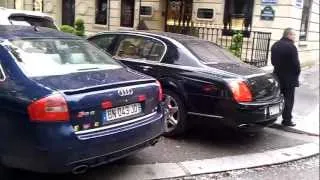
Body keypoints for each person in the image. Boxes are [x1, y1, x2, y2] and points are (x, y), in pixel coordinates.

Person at [271, 28, 301, 127]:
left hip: (277, 75)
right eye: (294, 35)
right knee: (288, 99)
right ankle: (287, 120)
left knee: (276, 98)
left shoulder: (275, 45)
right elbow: (296, 65)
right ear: (289, 35)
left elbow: (273, 62)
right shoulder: (291, 47)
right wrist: (296, 75)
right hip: (289, 78)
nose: (295, 37)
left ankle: (271, 117)